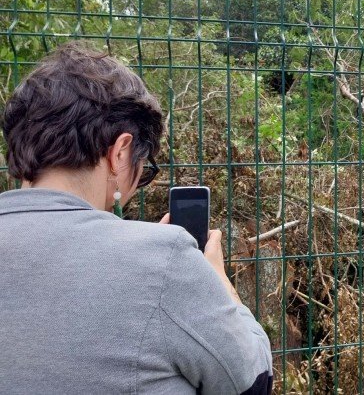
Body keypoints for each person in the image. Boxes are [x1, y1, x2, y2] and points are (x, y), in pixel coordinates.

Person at [0, 43, 272, 394]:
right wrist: (215, 279)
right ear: (120, 152)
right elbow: (252, 383)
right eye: (143, 171)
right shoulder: (164, 260)